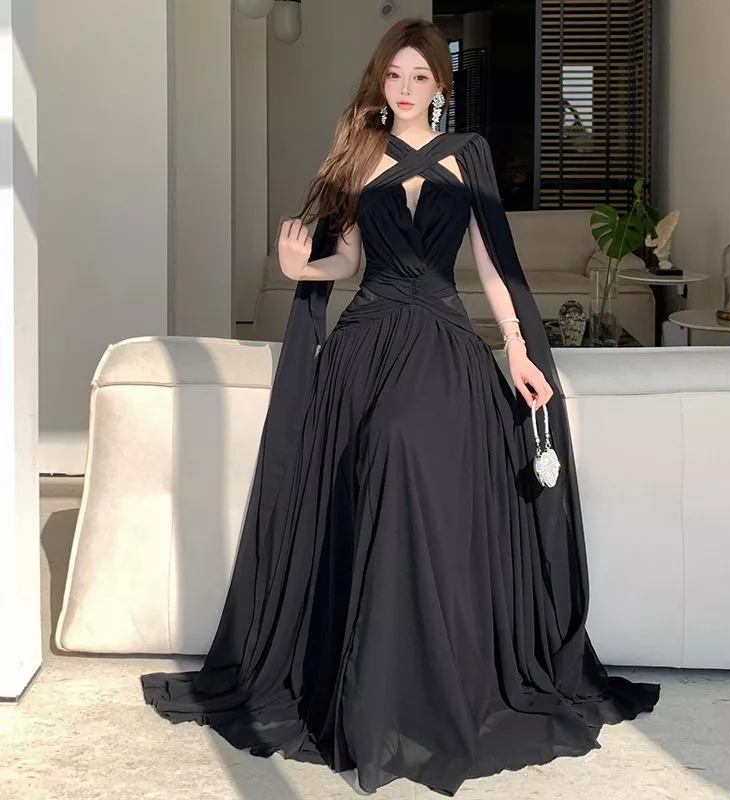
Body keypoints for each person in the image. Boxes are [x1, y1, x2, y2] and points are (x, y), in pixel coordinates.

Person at [141, 17, 659, 796]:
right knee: (384, 447)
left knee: (417, 450)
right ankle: (368, 685)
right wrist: (303, 266)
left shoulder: (468, 153)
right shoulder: (358, 151)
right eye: (395, 75)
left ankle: (430, 675)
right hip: (369, 338)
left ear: (441, 85)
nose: (407, 88)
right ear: (380, 80)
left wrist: (517, 347)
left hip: (443, 334)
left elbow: (492, 261)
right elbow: (349, 256)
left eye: (421, 76)